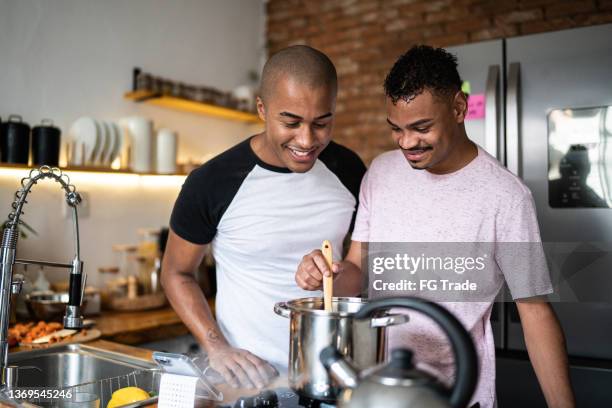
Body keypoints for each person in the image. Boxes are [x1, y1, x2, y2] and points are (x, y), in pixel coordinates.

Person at [296, 45, 575, 407]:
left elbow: (534, 311)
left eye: (421, 128)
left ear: (458, 108)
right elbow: (357, 272)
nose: (407, 143)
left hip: (458, 393)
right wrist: (326, 275)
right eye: (396, 129)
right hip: (376, 387)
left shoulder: (506, 196)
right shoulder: (380, 172)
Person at [162, 45, 366, 390]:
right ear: (262, 109)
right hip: (249, 381)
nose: (306, 140)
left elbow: (356, 276)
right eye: (291, 122)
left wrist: (332, 274)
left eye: (322, 123)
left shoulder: (349, 170)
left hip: (331, 374)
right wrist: (216, 346)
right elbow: (176, 273)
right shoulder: (212, 182)